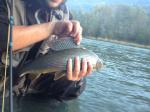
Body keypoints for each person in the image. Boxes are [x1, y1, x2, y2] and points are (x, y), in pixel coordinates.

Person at [0, 0, 93, 100]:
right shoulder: (6, 3)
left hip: (31, 87)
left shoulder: (66, 16)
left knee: (76, 85)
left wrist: (69, 76)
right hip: (5, 85)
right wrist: (52, 27)